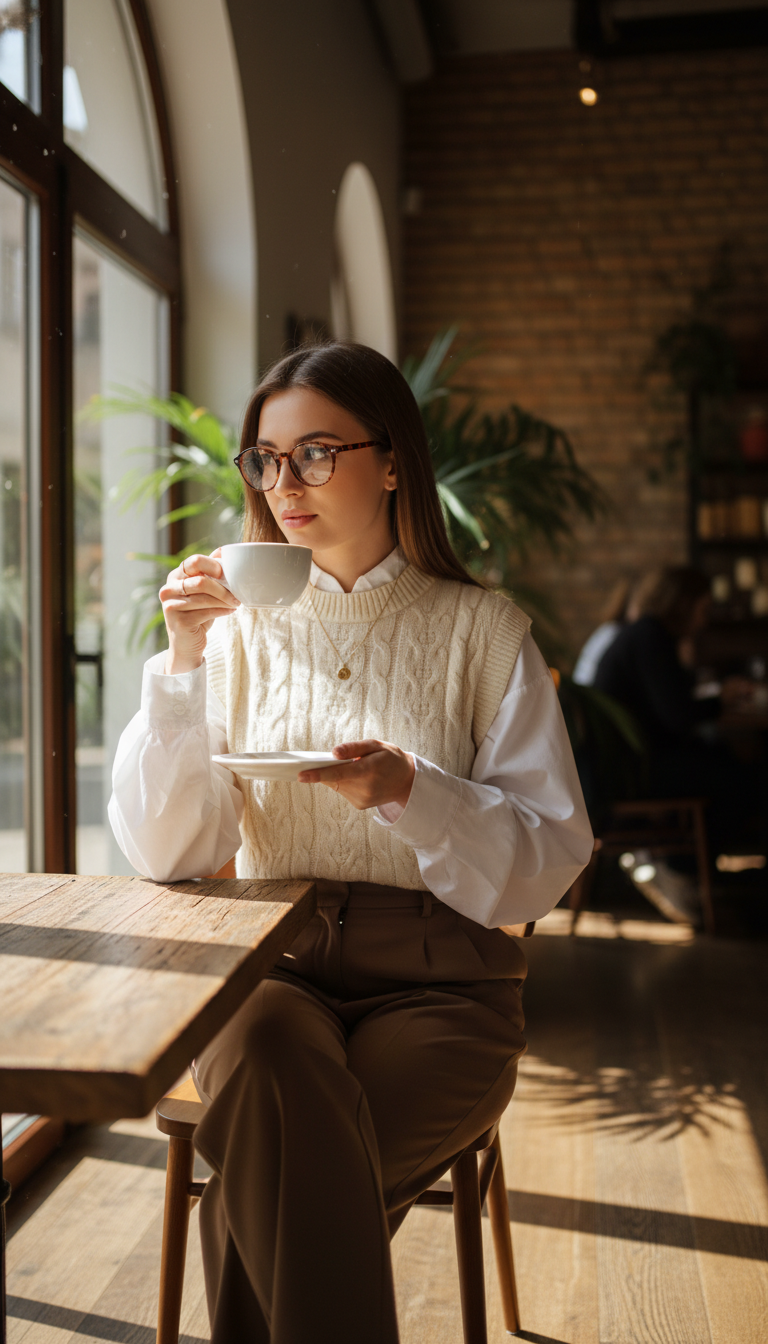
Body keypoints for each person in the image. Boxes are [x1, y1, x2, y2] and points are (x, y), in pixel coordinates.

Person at [109, 341, 592, 1344]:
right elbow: (165, 850)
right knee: (285, 1104)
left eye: (316, 453)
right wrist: (184, 664)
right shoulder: (229, 638)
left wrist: (413, 792)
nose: (283, 484)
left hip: (444, 982)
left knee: (275, 1160)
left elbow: (550, 857)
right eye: (266, 458)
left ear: (392, 463)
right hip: (269, 971)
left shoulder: (484, 630)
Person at [594, 565, 762, 920]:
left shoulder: (645, 635)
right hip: (632, 775)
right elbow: (678, 717)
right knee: (743, 779)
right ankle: (686, 871)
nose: (703, 621)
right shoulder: (650, 636)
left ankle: (693, 872)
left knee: (727, 762)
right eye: (702, 610)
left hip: (625, 766)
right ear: (682, 604)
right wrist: (722, 701)